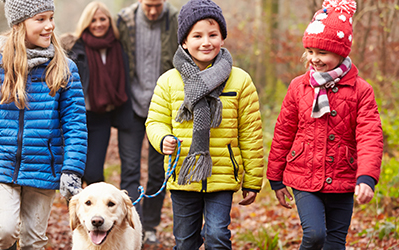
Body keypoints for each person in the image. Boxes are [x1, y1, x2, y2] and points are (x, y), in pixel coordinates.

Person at [0, 0, 87, 249]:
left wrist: (72, 170)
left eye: (51, 18)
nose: (50, 26)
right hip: (2, 163)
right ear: (18, 24)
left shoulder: (64, 68)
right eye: (40, 19)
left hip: (44, 166)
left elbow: (75, 124)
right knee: (5, 231)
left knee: (33, 240)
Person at [145, 0, 265, 248]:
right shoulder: (168, 81)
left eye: (213, 34)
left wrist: (252, 180)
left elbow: (251, 134)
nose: (206, 42)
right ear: (184, 42)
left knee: (217, 236)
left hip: (222, 173)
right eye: (197, 35)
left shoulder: (240, 80)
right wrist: (162, 138)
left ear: (222, 37)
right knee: (185, 241)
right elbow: (155, 121)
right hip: (183, 173)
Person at [266, 0, 383, 249]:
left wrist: (367, 176)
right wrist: (275, 176)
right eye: (310, 52)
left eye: (322, 53)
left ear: (341, 53)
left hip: (343, 177)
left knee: (335, 242)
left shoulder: (361, 91)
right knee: (315, 235)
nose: (314, 60)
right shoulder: (299, 86)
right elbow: (284, 130)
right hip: (304, 176)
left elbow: (369, 134)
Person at [116, 0, 178, 244]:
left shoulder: (175, 19)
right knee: (130, 168)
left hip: (163, 107)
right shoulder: (124, 20)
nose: (153, 11)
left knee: (157, 170)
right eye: (148, 5)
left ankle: (149, 225)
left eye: (158, 5)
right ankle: (130, 223)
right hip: (130, 105)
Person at [67, 1, 134, 195]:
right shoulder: (76, 48)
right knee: (75, 172)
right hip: (76, 118)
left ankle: (101, 207)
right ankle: (79, 216)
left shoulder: (117, 47)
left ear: (109, 21)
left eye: (102, 19)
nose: (98, 24)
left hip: (100, 118)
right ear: (86, 22)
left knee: (94, 172)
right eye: (93, 20)